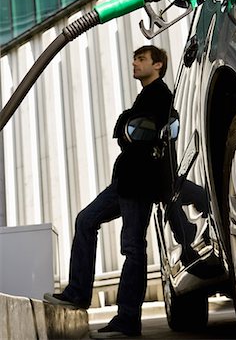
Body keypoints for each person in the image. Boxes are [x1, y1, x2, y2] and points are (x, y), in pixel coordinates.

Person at [44, 45, 173, 338]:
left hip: (139, 182)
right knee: (85, 220)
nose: (134, 63)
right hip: (124, 182)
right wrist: (127, 124)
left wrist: (128, 124)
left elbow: (134, 131)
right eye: (134, 59)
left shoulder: (160, 96)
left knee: (132, 246)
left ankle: (128, 319)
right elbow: (126, 129)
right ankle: (78, 293)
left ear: (158, 65)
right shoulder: (145, 97)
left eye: (141, 59)